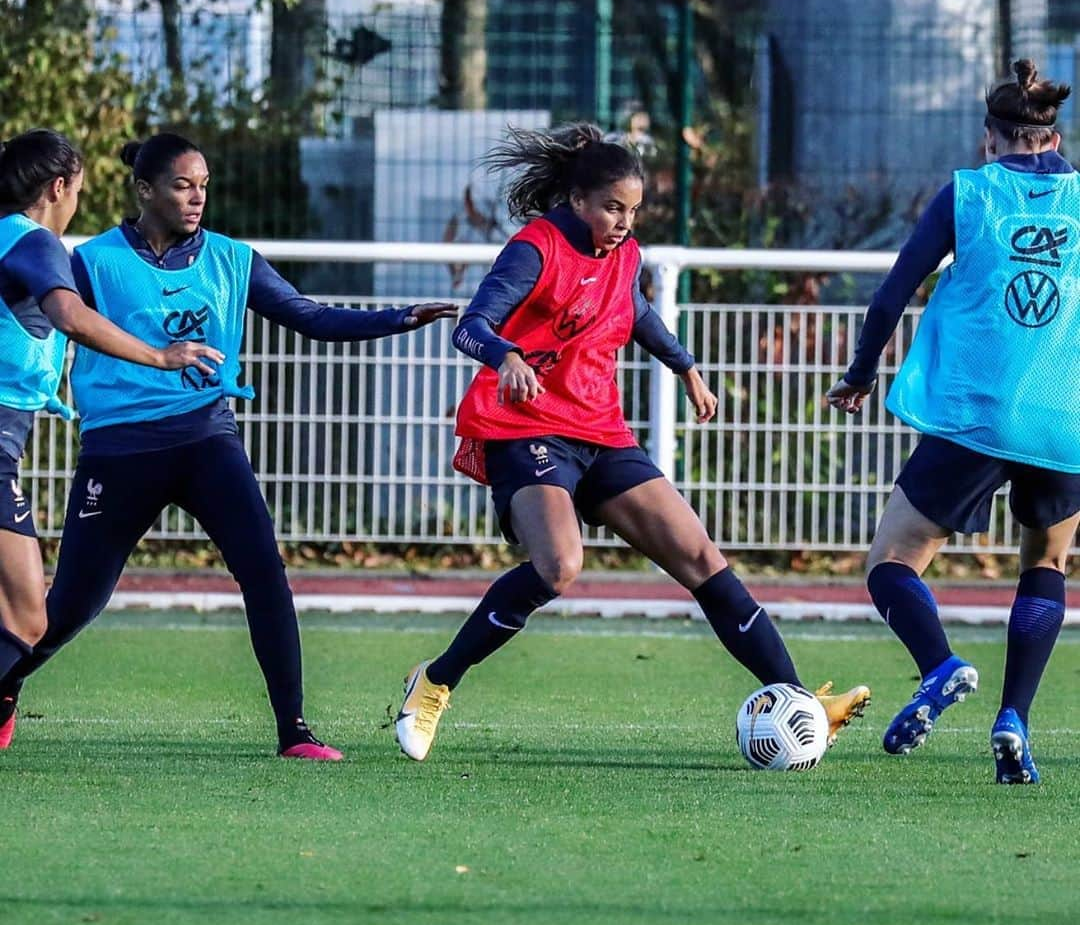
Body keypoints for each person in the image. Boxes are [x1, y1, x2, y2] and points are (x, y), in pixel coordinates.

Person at [395, 122, 871, 762]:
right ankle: (435, 682)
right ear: (577, 201)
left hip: (599, 427)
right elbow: (471, 328)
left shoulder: (624, 253)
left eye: (633, 210)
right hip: (527, 426)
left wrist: (686, 367)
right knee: (558, 567)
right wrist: (507, 356)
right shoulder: (533, 250)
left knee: (700, 556)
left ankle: (799, 701)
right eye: (613, 208)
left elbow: (635, 310)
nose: (623, 222)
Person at [0, 131, 456, 760]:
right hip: (119, 449)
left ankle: (294, 731)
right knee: (72, 604)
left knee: (265, 574)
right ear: (144, 190)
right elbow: (57, 323)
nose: (196, 198)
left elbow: (311, 316)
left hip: (207, 438)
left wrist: (394, 319)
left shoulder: (231, 260)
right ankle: (6, 688)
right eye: (183, 185)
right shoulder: (91, 262)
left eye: (204, 186)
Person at [827, 60, 1078, 784]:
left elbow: (890, 296)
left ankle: (939, 667)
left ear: (989, 141)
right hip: (1063, 419)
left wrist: (860, 373)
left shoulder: (968, 194)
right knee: (1045, 564)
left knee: (893, 562)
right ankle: (1014, 722)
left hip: (974, 414)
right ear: (1053, 135)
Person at [0, 129, 222, 751]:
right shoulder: (34, 241)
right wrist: (158, 355)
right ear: (58, 187)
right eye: (77, 192)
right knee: (26, 616)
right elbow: (69, 314)